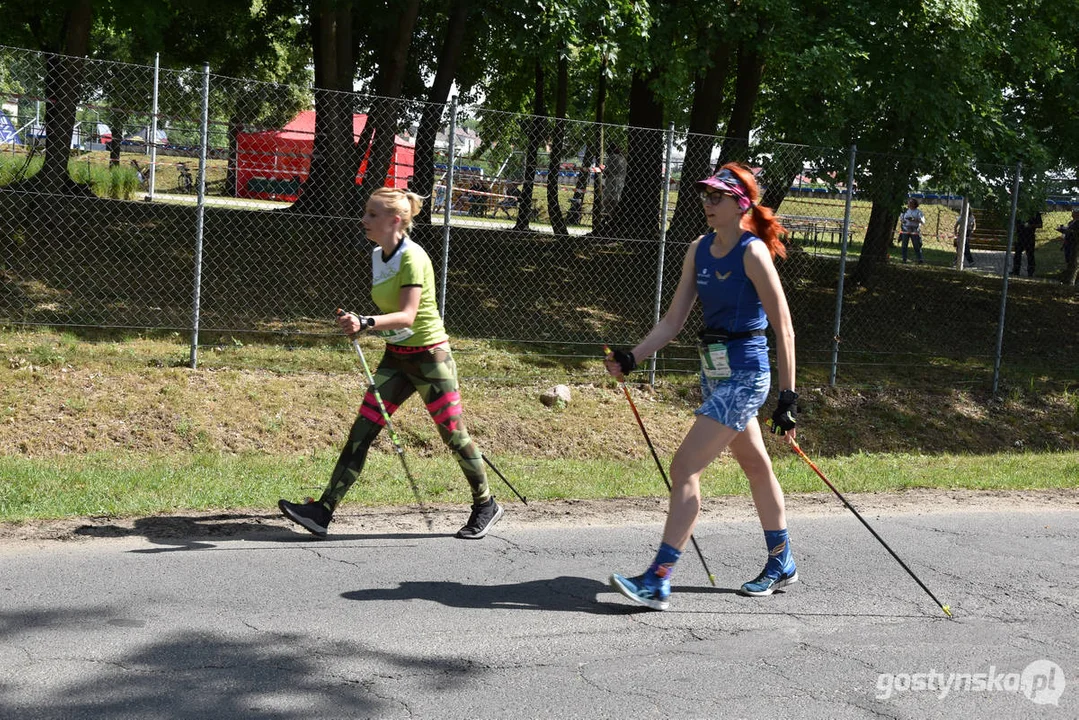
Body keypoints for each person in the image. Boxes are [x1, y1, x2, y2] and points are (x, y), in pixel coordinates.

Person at [604, 163, 799, 611]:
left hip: (748, 373)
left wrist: (787, 399)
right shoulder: (699, 249)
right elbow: (674, 320)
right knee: (754, 464)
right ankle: (782, 559)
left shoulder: (753, 253)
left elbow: (784, 327)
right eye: (705, 195)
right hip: (714, 371)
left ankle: (658, 578)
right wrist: (634, 357)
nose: (707, 203)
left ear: (740, 204)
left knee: (684, 467)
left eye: (717, 196)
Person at [278, 187, 503, 540]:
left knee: (454, 436)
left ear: (395, 221)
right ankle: (322, 511)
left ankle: (485, 504)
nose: (364, 219)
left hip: (431, 359)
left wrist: (365, 323)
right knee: (361, 433)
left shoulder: (414, 257)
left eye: (372, 214)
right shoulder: (377, 255)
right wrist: (360, 322)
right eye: (366, 213)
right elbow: (391, 315)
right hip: (397, 359)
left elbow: (408, 316)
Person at [1013, 212, 1043, 277]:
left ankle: (1031, 271)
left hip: (1030, 236)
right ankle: (1016, 270)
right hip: (1020, 236)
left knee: (1030, 254)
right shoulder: (1020, 211)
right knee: (1017, 253)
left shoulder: (1035, 212)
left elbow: (1040, 225)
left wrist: (1030, 225)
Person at [601, 144, 626, 218]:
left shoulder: (611, 158)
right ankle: (614, 216)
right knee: (616, 199)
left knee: (608, 200)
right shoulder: (623, 159)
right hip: (621, 181)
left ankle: (608, 215)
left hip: (611, 181)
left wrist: (603, 171)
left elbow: (607, 172)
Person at [898, 199, 926, 264]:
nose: (909, 204)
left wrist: (914, 219)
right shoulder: (905, 211)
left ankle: (920, 259)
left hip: (915, 230)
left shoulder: (918, 212)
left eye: (911, 203)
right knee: (904, 245)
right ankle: (904, 259)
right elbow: (901, 219)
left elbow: (923, 221)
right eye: (909, 202)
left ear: (915, 204)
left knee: (916, 245)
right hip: (906, 229)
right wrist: (903, 221)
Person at [1058, 207, 1079, 286]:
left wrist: (1067, 230)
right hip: (1067, 243)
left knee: (1073, 261)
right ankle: (1068, 278)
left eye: (1074, 212)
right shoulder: (1071, 222)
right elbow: (1068, 231)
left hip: (1073, 244)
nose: (1072, 213)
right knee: (1068, 260)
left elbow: (1074, 233)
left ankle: (1072, 280)